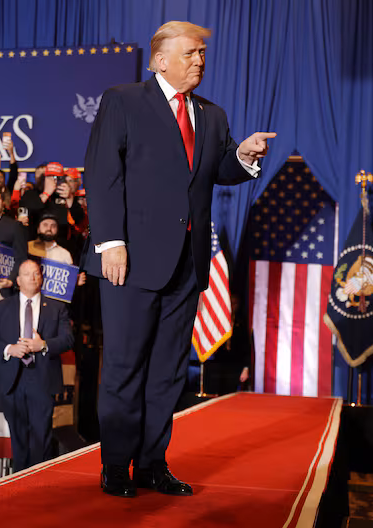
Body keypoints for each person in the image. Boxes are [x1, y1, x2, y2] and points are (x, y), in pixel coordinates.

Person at [82, 21, 275, 498]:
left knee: (168, 371)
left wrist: (245, 156)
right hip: (128, 262)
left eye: (203, 54)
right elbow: (102, 172)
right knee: (126, 367)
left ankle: (151, 465)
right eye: (191, 53)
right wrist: (111, 243)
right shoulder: (123, 100)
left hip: (186, 264)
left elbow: (218, 169)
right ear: (159, 60)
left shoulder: (212, 114)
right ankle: (116, 465)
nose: (199, 61)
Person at [0, 260, 74, 472]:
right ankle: (20, 480)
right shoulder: (2, 307)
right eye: (27, 274)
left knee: (41, 435)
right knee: (18, 435)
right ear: (18, 280)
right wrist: (9, 349)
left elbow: (68, 339)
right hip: (11, 381)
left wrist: (43, 345)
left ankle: (38, 481)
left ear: (41, 278)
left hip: (42, 379)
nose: (32, 277)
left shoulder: (57, 308)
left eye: (36, 274)